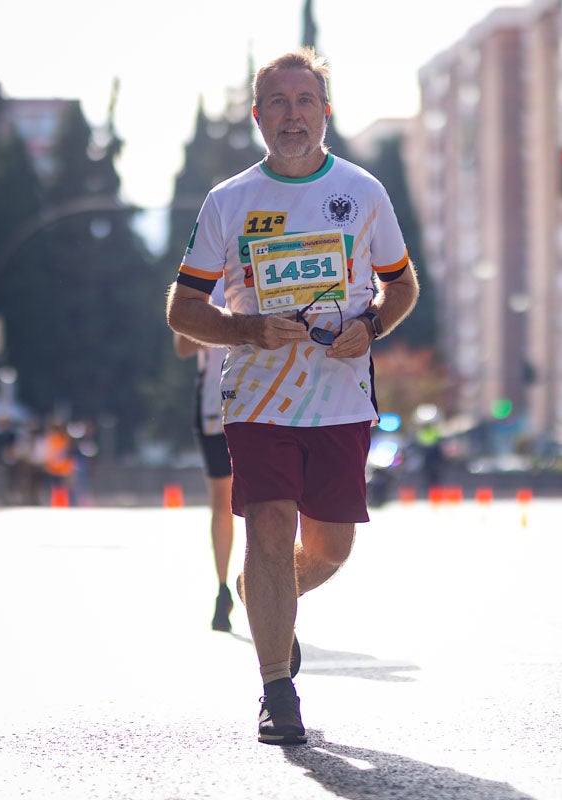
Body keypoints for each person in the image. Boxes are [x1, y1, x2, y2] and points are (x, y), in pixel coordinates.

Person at [165, 48, 420, 745]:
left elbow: (402, 287)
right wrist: (243, 327)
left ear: (325, 113)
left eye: (305, 101)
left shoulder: (363, 192)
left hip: (340, 401)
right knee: (269, 530)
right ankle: (278, 691)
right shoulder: (230, 201)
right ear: (257, 116)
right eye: (277, 102)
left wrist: (369, 327)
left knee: (330, 549)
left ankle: (262, 596)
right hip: (255, 401)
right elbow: (182, 310)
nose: (292, 115)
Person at [173, 283, 235, 632]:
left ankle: (265, 583)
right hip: (214, 405)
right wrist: (222, 321)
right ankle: (222, 587)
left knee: (270, 498)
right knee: (221, 501)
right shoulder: (206, 277)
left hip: (267, 397)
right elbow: (182, 344)